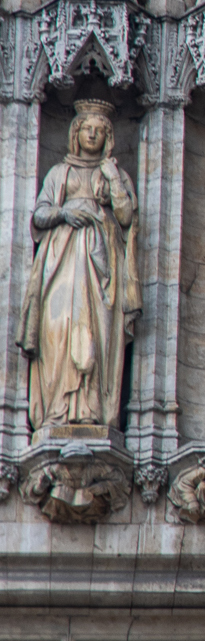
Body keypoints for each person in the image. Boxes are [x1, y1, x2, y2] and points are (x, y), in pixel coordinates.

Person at [17, 100, 140, 435]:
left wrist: (113, 178)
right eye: (87, 128)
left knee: (97, 336)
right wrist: (65, 213)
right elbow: (40, 214)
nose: (93, 134)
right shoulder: (60, 173)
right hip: (62, 263)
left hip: (102, 268)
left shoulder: (114, 173)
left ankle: (92, 409)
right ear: (75, 132)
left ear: (109, 137)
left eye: (100, 130)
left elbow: (127, 217)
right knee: (57, 331)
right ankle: (56, 411)